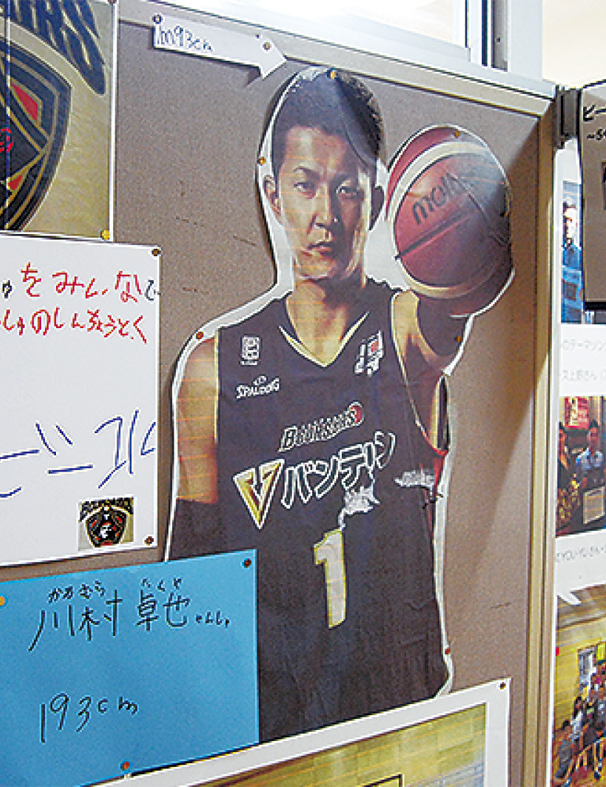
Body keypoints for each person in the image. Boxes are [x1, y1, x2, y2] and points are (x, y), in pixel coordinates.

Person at [166, 67, 512, 741]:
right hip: (273, 734)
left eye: (347, 189)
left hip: (399, 725)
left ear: (376, 203)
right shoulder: (214, 366)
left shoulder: (405, 332)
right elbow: (192, 585)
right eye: (305, 185)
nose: (325, 215)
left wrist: (474, 213)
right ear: (273, 192)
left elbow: (452, 309)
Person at [576, 420, 606, 530]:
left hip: (598, 502)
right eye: (591, 435)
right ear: (587, 437)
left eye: (596, 435)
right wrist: (581, 484)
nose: (594, 438)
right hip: (586, 503)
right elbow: (576, 482)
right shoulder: (580, 459)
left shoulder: (601, 457)